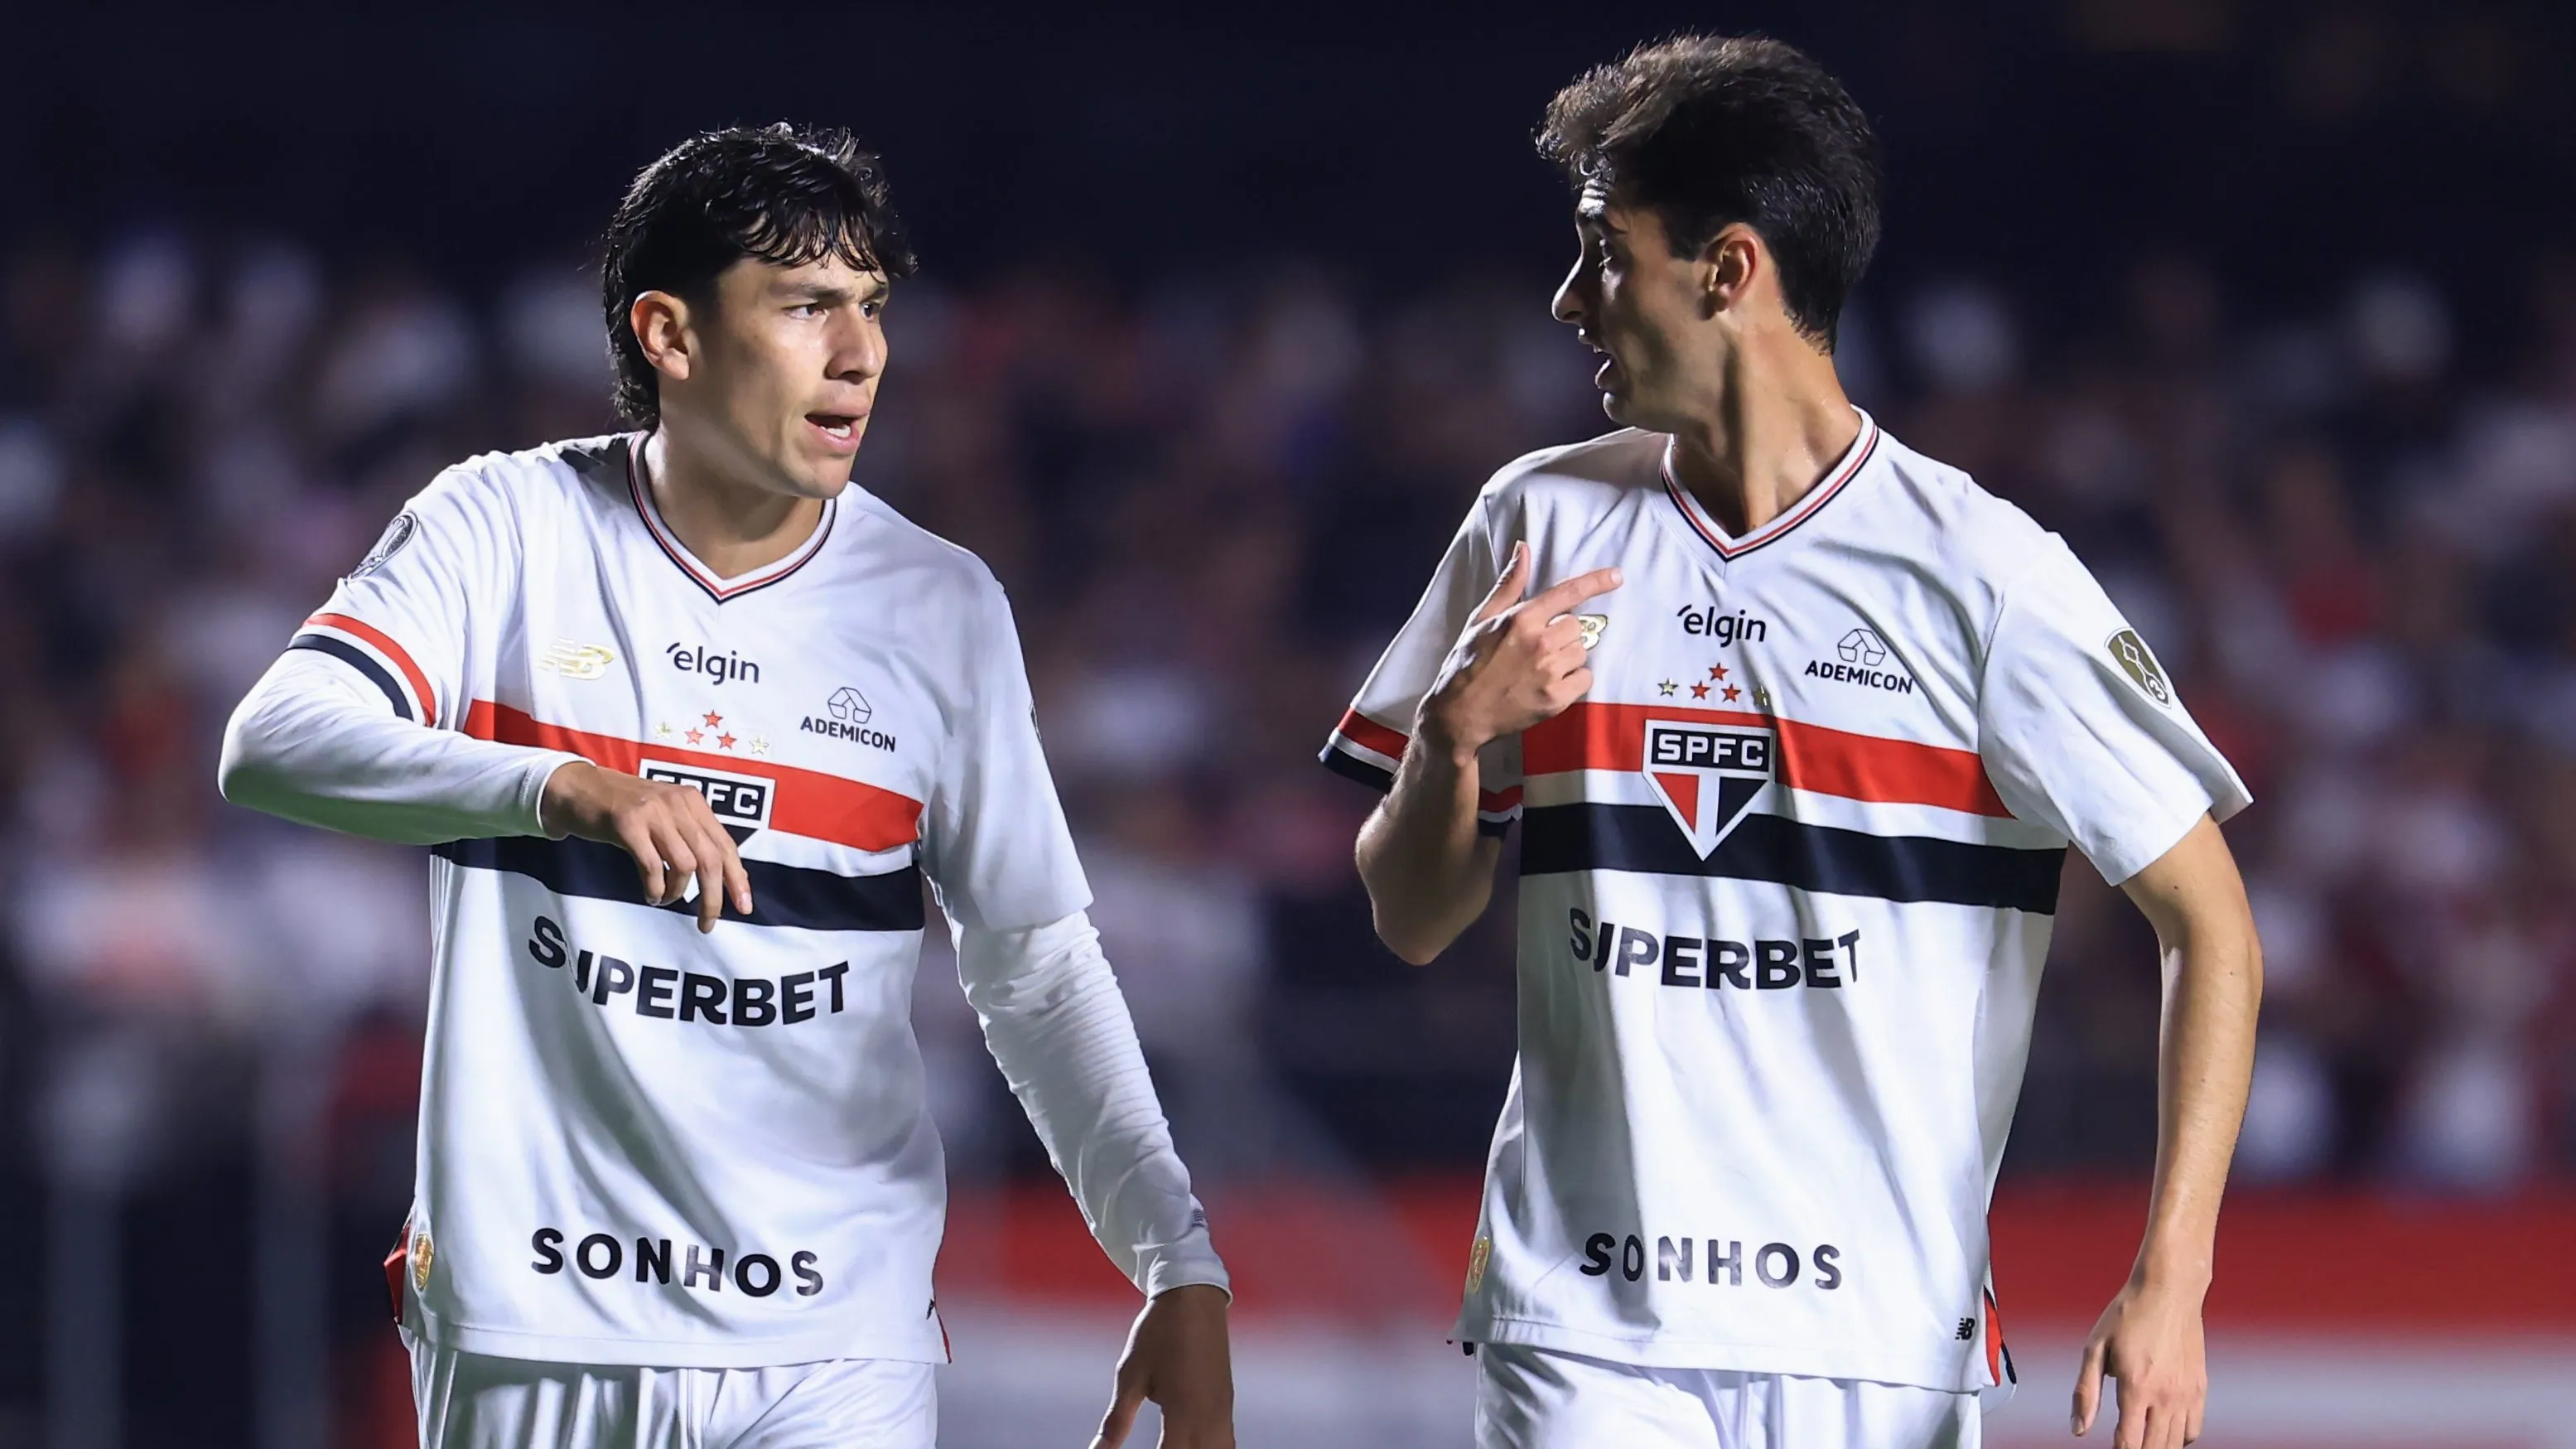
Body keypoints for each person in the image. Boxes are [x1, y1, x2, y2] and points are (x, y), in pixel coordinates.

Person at [219, 124, 1233, 1449]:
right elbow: (275, 739)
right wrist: (558, 788)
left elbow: (1034, 965)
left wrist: (1174, 1257)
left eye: (872, 306)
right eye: (806, 306)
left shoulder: (941, 604)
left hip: (835, 1338)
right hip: (539, 1320)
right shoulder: (504, 525)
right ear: (670, 334)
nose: (860, 353)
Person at [1323, 36, 2260, 1449]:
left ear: (1728, 269)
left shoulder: (1983, 576)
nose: (1569, 298)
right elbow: (1410, 920)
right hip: (1584, 1324)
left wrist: (2172, 1278)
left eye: (1603, 253)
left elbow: (2211, 927)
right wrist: (1452, 742)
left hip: (1874, 1342)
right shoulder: (1535, 523)